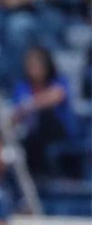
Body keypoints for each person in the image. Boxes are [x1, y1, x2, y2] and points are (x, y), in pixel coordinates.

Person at [12, 46, 77, 178]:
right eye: (29, 65)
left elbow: (56, 96)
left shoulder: (59, 80)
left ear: (46, 66)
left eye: (36, 65)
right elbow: (17, 112)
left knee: (44, 115)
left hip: (58, 131)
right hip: (30, 134)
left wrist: (31, 105)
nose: (32, 69)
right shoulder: (22, 86)